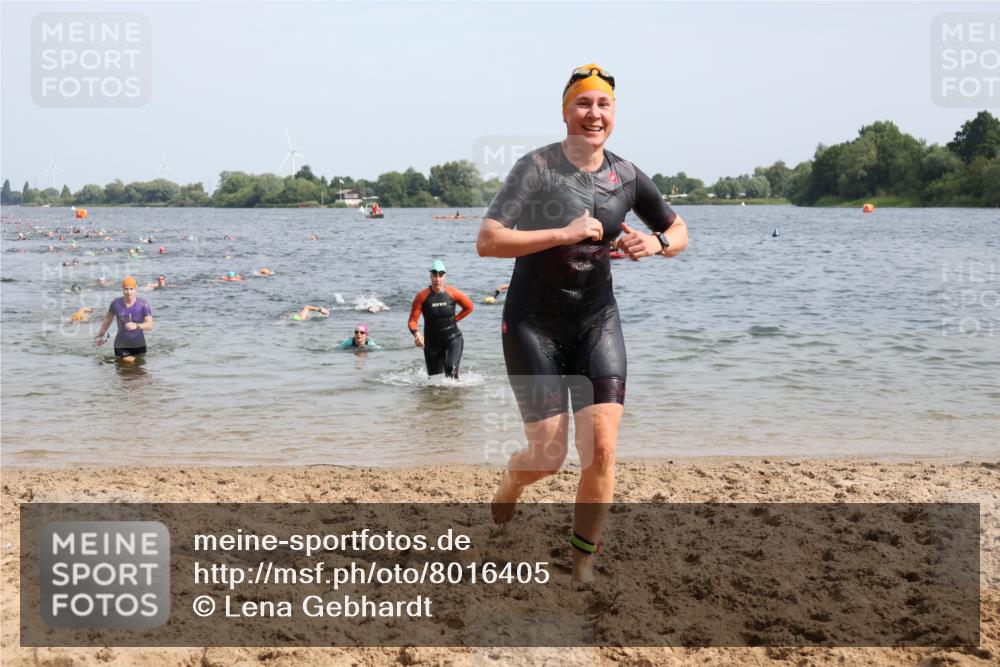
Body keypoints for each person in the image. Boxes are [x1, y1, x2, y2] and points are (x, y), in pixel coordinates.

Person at [475, 63, 689, 582]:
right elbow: (488, 241)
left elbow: (679, 229)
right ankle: (512, 481)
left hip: (597, 322)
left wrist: (656, 243)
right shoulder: (536, 168)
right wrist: (562, 232)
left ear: (613, 114)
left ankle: (581, 564)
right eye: (583, 104)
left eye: (603, 105)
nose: (593, 114)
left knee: (602, 449)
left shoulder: (627, 176)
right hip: (533, 324)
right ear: (566, 111)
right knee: (547, 457)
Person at [407, 260, 473, 379]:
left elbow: (469, 307)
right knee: (434, 381)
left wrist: (454, 320)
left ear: (445, 277)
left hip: (453, 339)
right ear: (430, 276)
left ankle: (455, 397)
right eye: (434, 275)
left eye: (440, 275)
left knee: (451, 369)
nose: (437, 279)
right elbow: (412, 321)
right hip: (432, 344)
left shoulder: (453, 293)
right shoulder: (422, 296)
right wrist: (416, 334)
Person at [95, 276, 154, 362]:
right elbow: (108, 319)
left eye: (131, 289)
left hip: (139, 344)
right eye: (126, 289)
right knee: (128, 362)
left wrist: (136, 325)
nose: (128, 292)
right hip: (121, 344)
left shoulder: (143, 304)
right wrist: (100, 336)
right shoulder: (116, 303)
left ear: (135, 289)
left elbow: (150, 325)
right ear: (123, 289)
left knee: (139, 372)